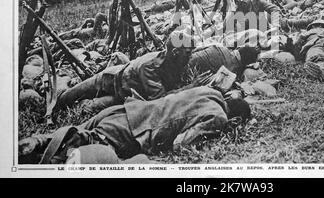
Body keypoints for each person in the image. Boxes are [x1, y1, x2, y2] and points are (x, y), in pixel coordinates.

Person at [18, 86, 251, 164]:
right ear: (235, 118)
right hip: (134, 131)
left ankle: (38, 141)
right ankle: (38, 157)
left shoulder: (209, 91)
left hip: (124, 110)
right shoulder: (218, 117)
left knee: (81, 133)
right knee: (79, 151)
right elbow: (182, 144)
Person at [54, 31, 195, 114]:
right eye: (188, 53)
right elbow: (159, 100)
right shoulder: (150, 66)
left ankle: (81, 102)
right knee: (64, 99)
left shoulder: (176, 63)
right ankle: (60, 82)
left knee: (88, 108)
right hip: (109, 80)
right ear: (175, 52)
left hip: (124, 95)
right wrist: (190, 89)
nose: (190, 56)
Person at [187, 44, 260, 78]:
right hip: (186, 72)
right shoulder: (228, 70)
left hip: (185, 59)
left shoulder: (221, 47)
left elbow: (198, 48)